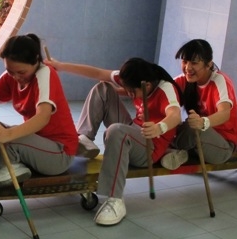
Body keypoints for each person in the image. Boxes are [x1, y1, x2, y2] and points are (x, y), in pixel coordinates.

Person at [44, 56, 182, 225]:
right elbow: (97, 73)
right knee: (102, 88)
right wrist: (60, 65)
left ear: (146, 86)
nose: (129, 94)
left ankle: (115, 200)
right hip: (135, 129)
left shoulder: (165, 88)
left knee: (116, 131)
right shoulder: (133, 77)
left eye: (131, 92)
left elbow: (175, 115)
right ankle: (85, 137)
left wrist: (159, 127)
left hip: (150, 146)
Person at [0, 34, 79, 188]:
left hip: (59, 152)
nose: (16, 77)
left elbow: (43, 117)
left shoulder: (45, 73)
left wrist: (8, 134)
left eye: (21, 72)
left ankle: (6, 170)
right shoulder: (12, 74)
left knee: (10, 137)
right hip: (35, 144)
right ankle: (6, 166)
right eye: (10, 71)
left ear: (36, 60)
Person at [160, 39, 237, 170]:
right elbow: (163, 92)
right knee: (172, 124)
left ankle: (171, 150)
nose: (188, 67)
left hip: (222, 145)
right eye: (185, 61)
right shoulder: (183, 80)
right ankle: (179, 153)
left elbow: (225, 113)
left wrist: (203, 122)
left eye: (194, 63)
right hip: (196, 139)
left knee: (193, 127)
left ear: (209, 64)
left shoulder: (219, 80)